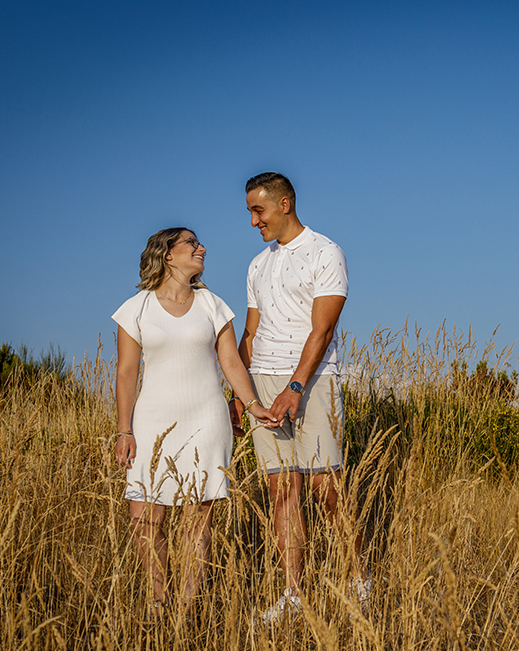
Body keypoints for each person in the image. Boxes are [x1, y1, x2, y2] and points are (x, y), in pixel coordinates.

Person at [114, 227, 277, 623]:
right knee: (145, 517)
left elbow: (232, 362)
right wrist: (124, 429)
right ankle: (158, 602)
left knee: (197, 519)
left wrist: (252, 406)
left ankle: (186, 611)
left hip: (206, 419)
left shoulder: (212, 304)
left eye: (199, 243)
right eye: (191, 243)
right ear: (167, 255)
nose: (201, 248)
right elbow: (126, 372)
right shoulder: (135, 308)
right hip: (151, 422)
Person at [234, 172, 367, 624]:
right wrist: (240, 392)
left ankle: (357, 582)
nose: (254, 220)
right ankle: (294, 594)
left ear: (285, 203)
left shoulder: (325, 252)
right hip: (262, 380)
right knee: (280, 489)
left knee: (325, 486)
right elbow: (250, 332)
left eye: (259, 210)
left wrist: (295, 388)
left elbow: (323, 328)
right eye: (251, 211)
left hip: (313, 381)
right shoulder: (257, 264)